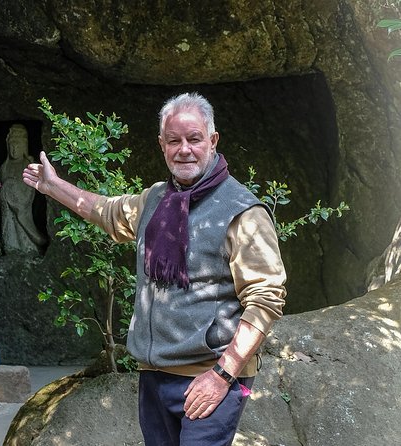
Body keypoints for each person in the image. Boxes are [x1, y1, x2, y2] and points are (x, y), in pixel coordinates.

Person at [23, 92, 286, 445]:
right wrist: (53, 187)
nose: (184, 150)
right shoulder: (156, 200)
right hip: (154, 374)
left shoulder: (243, 211)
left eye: (194, 139)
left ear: (212, 140)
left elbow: (265, 299)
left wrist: (223, 374)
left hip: (210, 374)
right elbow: (107, 211)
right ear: (161, 144)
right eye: (174, 140)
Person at [0, 123, 47, 253]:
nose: (14, 149)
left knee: (24, 235)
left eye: (18, 145)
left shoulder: (28, 164)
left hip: (22, 205)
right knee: (9, 230)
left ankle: (29, 247)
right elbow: (1, 185)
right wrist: (5, 190)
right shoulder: (5, 167)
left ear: (24, 146)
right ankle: (10, 247)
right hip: (7, 208)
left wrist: (12, 190)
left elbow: (30, 190)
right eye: (12, 146)